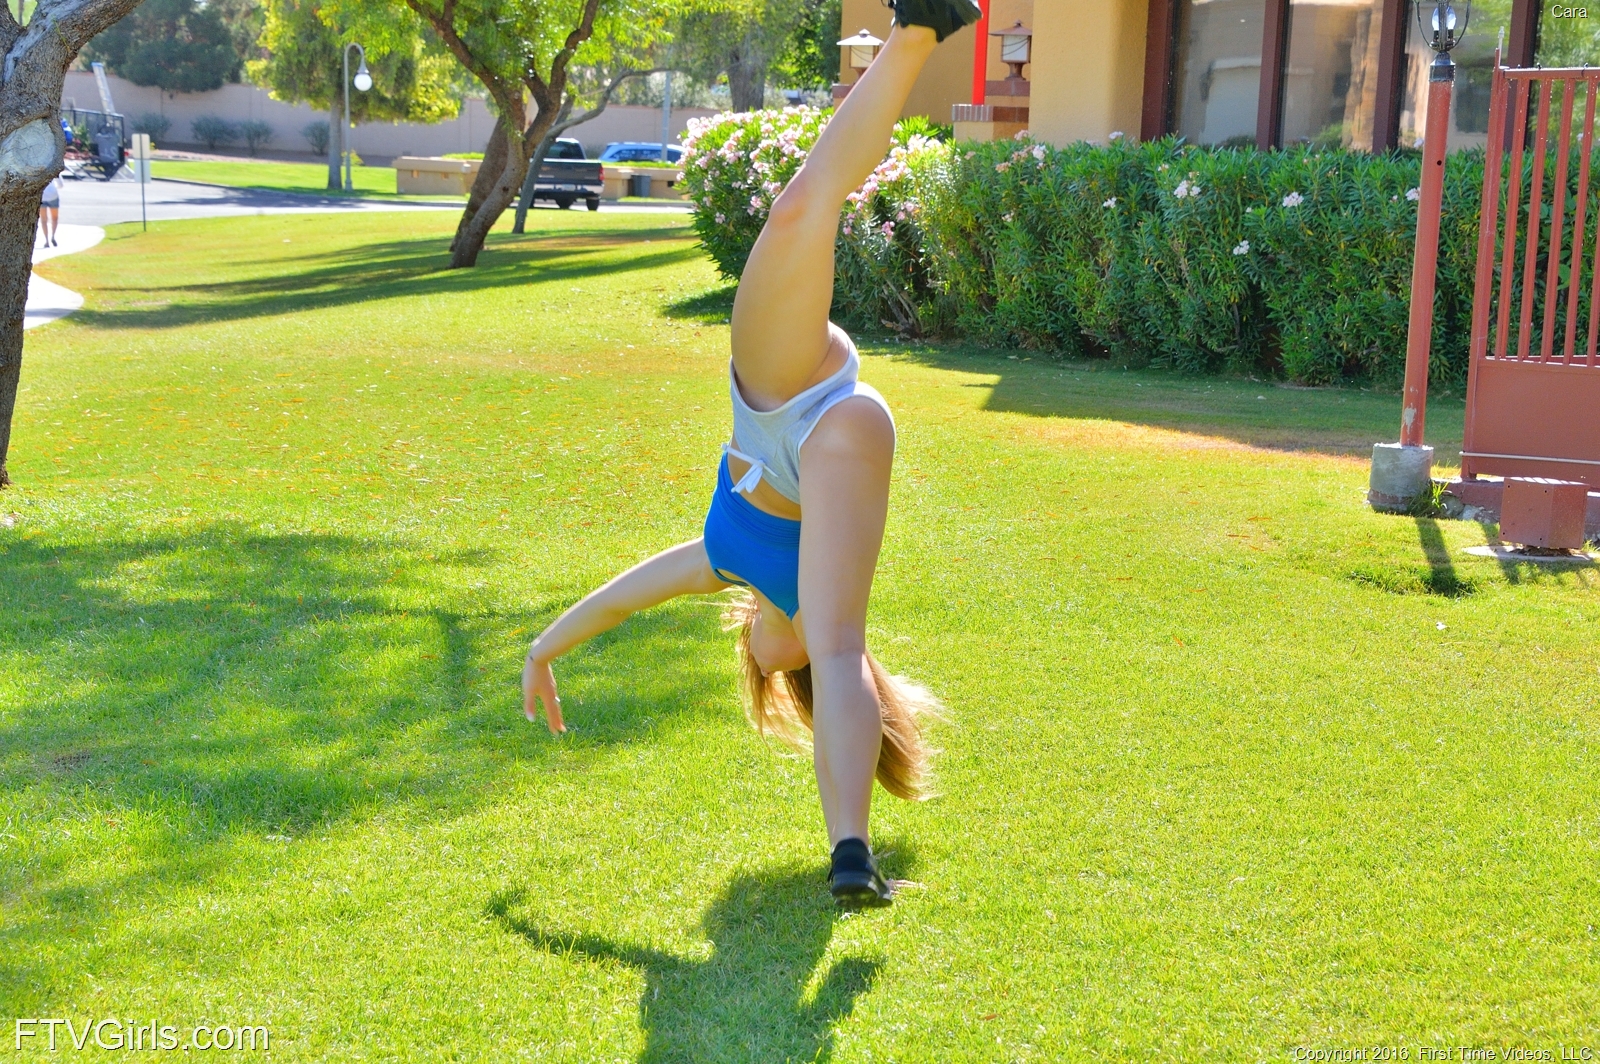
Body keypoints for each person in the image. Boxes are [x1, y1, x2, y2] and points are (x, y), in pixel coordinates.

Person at [521, 0, 982, 908]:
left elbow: (620, 599)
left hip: (775, 400)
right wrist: (815, 650)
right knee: (841, 647)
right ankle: (851, 852)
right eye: (774, 665)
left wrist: (543, 650)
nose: (758, 652)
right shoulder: (821, 625)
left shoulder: (723, 560)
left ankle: (922, 26)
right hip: (837, 436)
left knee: (801, 208)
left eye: (758, 654)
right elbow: (832, 657)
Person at [38, 173, 63, 249]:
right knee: (54, 218)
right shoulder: (54, 170)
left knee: (44, 220)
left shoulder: (38, 171)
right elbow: (61, 184)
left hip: (42, 196)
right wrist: (54, 187)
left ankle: (46, 240)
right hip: (53, 195)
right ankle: (53, 236)